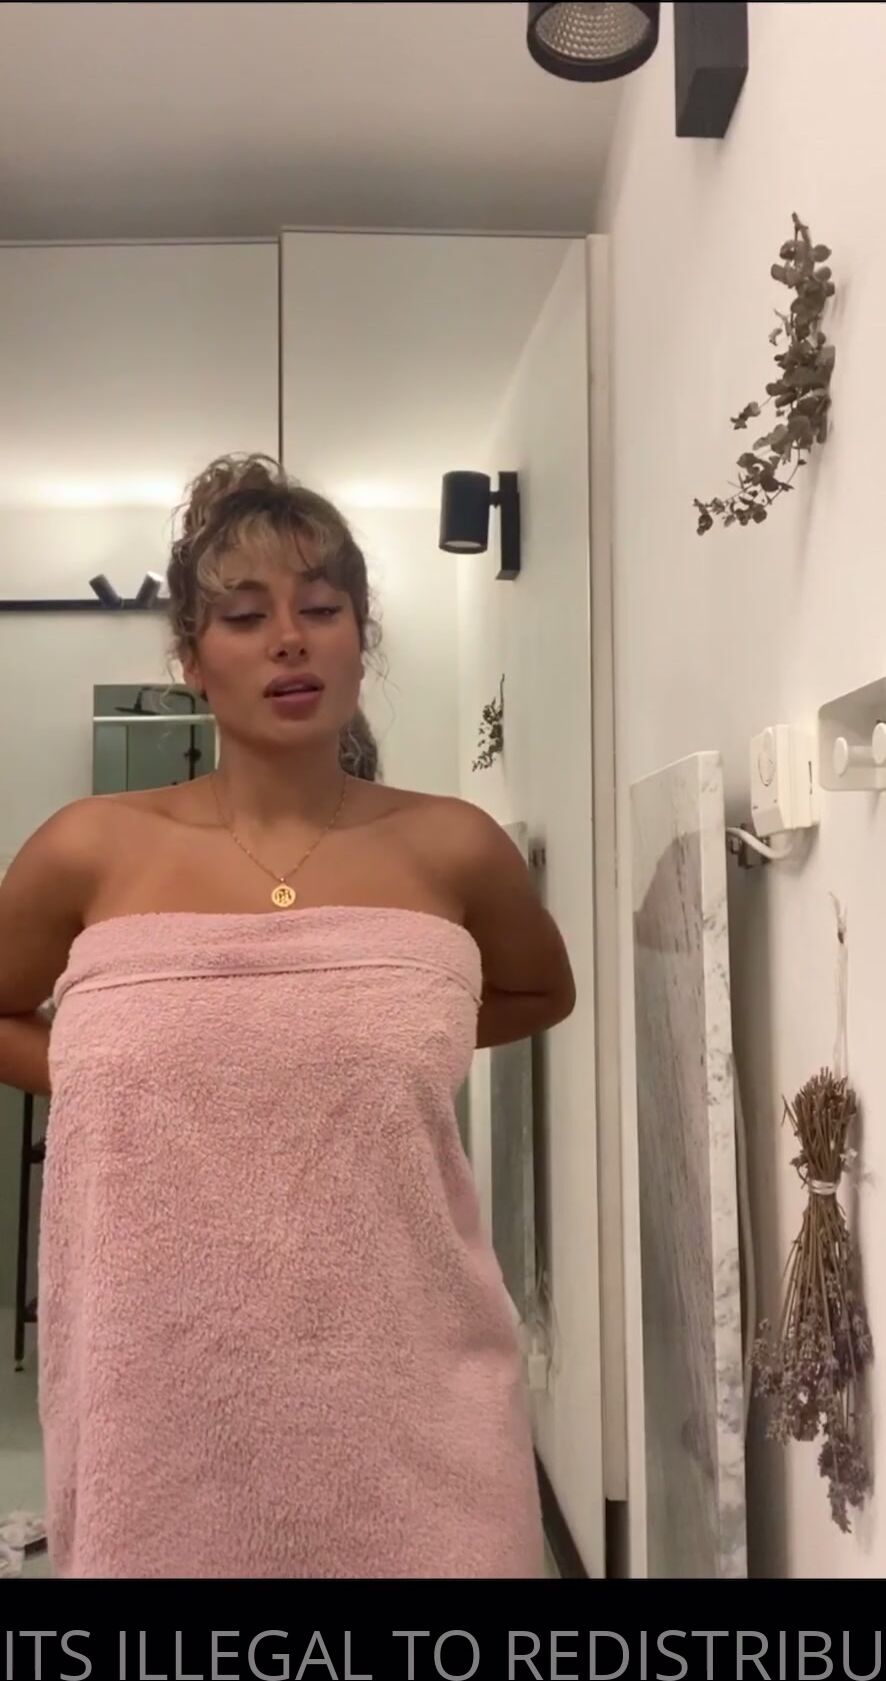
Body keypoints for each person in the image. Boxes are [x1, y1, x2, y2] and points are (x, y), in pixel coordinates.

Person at [0, 454, 576, 1579]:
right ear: (191, 657)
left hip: (418, 1396)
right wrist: (135, 1068)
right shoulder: (87, 847)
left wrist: (372, 1037)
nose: (288, 641)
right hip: (158, 1407)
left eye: (321, 608)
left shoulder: (454, 845)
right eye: (243, 616)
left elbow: (540, 990)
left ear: (363, 636)